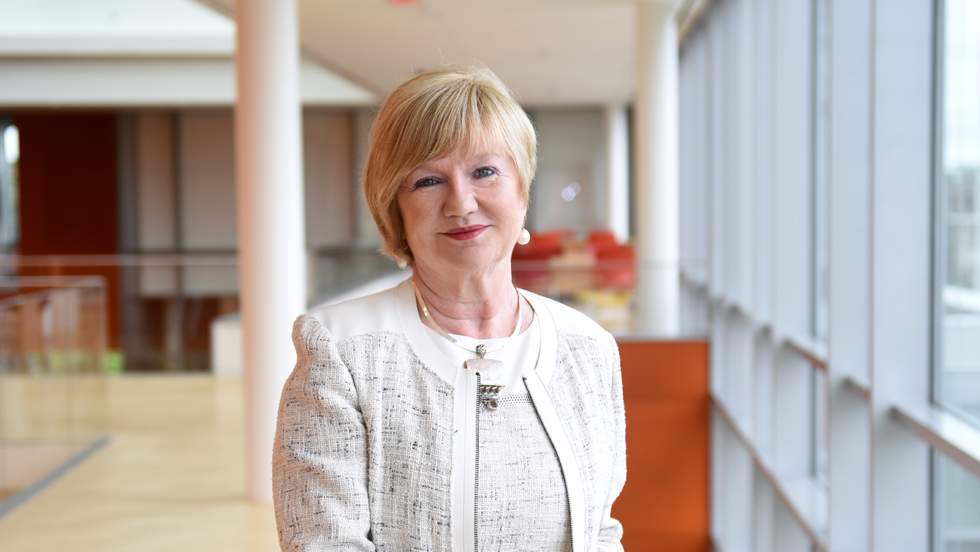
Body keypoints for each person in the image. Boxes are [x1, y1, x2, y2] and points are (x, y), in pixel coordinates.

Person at [273, 65, 626, 552]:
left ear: (522, 191)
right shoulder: (342, 352)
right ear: (393, 208)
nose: (461, 203)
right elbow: (324, 543)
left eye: (484, 172)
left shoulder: (589, 349)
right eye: (427, 181)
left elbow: (600, 532)